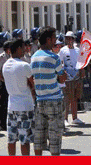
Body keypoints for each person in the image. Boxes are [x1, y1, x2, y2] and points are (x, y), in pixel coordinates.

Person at [30, 26, 67, 156]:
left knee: (39, 136)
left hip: (40, 101)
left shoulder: (33, 57)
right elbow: (62, 79)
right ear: (48, 39)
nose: (55, 41)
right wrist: (62, 76)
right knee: (55, 137)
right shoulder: (54, 57)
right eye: (54, 38)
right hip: (54, 100)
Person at [2, 39, 36, 155]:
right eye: (23, 47)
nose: (25, 50)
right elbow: (33, 83)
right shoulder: (24, 65)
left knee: (11, 139)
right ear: (17, 49)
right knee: (24, 140)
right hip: (25, 106)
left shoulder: (5, 65)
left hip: (11, 106)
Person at [58, 31, 84, 126]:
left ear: (73, 39)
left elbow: (80, 62)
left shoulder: (77, 50)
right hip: (67, 78)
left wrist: (81, 72)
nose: (69, 40)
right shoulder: (63, 50)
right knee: (67, 98)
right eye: (67, 38)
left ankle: (75, 117)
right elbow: (60, 62)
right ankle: (65, 118)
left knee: (75, 98)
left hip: (76, 77)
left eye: (70, 38)